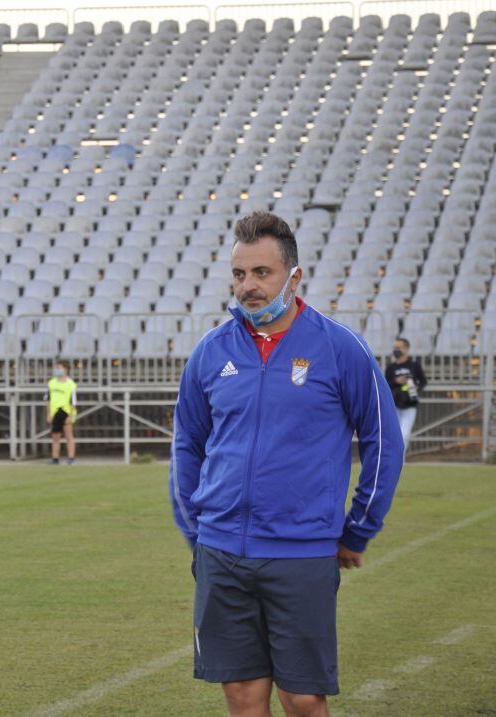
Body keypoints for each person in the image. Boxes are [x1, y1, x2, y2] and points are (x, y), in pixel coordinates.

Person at [170, 210, 404, 717]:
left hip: (301, 554)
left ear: (294, 277)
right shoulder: (211, 352)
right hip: (222, 552)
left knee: (301, 698)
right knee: (242, 695)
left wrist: (357, 529)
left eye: (262, 273)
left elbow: (384, 442)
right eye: (239, 274)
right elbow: (188, 444)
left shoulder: (340, 348)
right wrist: (196, 530)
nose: (248, 286)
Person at [385, 337, 427, 450]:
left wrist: (416, 387)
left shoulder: (414, 365)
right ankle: (394, 460)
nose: (396, 350)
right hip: (394, 406)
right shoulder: (390, 368)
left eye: (398, 348)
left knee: (404, 434)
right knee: (394, 435)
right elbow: (385, 385)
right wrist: (396, 381)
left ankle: (400, 461)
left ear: (406, 349)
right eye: (395, 348)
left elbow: (423, 382)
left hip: (410, 405)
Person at [46, 360, 76, 466]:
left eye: (59, 368)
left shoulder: (71, 384)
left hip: (66, 411)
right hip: (55, 412)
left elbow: (73, 401)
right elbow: (48, 399)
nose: (57, 370)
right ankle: (55, 459)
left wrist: (71, 416)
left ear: (66, 369)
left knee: (69, 436)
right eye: (57, 368)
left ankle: (71, 458)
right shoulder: (51, 383)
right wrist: (48, 414)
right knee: (55, 436)